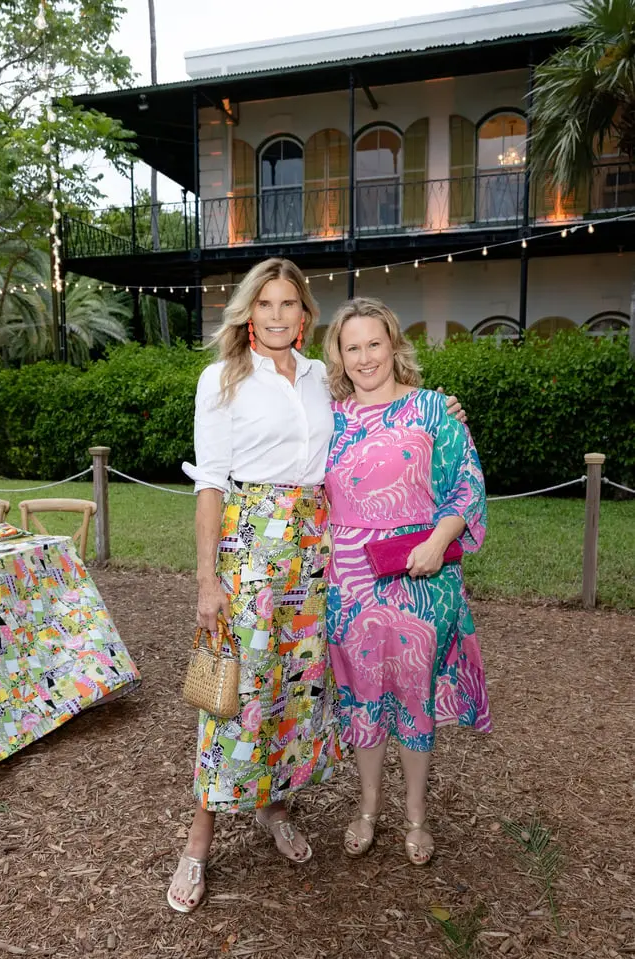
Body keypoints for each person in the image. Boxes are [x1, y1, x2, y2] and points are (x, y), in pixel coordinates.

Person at [169, 260, 465, 912]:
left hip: (315, 549)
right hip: (250, 545)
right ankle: (198, 841)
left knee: (293, 691)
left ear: (305, 316)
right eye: (265, 304)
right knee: (233, 694)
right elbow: (211, 484)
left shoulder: (314, 381)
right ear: (249, 312)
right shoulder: (221, 379)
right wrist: (206, 580)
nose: (276, 315)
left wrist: (438, 406)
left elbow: (379, 419)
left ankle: (273, 807)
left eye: (288, 304)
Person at [323, 297, 491, 866]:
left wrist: (438, 543)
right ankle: (367, 809)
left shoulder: (433, 411)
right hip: (350, 582)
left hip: (422, 577)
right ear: (339, 357)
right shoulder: (327, 417)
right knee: (363, 699)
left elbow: (465, 486)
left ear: (394, 345)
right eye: (353, 347)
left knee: (414, 700)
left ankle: (416, 816)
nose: (365, 357)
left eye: (375, 343)